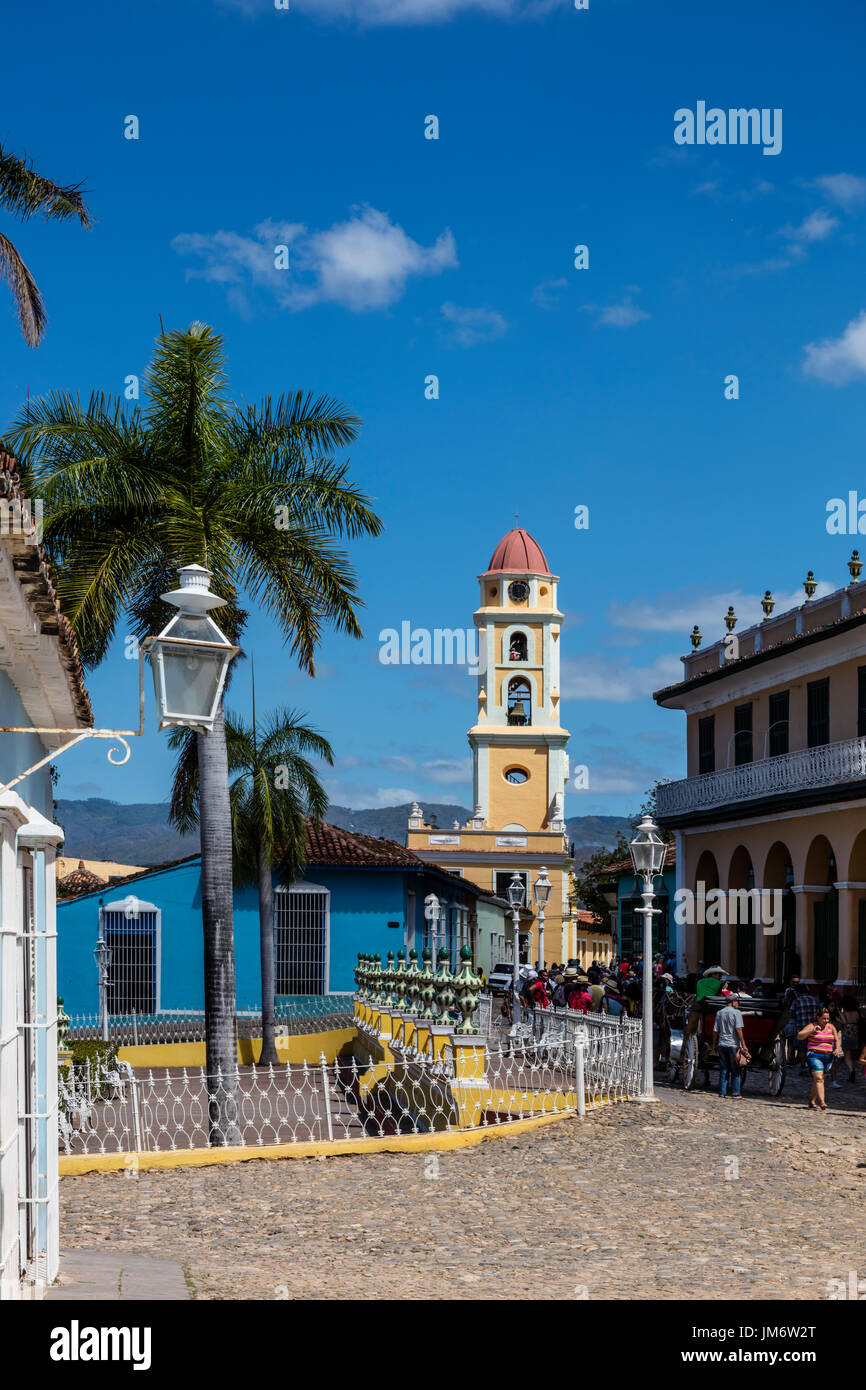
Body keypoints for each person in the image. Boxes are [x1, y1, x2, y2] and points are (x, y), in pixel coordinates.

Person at [798, 1006, 843, 1110]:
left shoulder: (831, 1027)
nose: (826, 1021)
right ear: (818, 1017)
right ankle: (822, 1102)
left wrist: (837, 1048)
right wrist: (812, 1030)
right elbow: (799, 1036)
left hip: (828, 1057)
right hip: (814, 1055)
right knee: (819, 1079)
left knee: (819, 1079)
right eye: (824, 1018)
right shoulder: (811, 1026)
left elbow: (836, 1039)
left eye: (828, 1018)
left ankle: (811, 1101)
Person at [712, 990, 749, 1098]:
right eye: (737, 1001)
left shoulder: (719, 1013)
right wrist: (743, 1044)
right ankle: (735, 1092)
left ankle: (722, 1092)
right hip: (733, 1044)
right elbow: (738, 1030)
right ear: (733, 1002)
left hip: (722, 1044)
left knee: (724, 1068)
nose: (737, 1003)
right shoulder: (736, 1013)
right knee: (735, 1069)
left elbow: (715, 1030)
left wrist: (714, 1044)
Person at [791, 982, 820, 1073]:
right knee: (812, 1050)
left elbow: (791, 1013)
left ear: (798, 992)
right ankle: (812, 1068)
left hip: (801, 1029)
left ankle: (803, 1068)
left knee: (801, 1050)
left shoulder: (797, 1001)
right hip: (814, 1029)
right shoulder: (814, 1000)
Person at [839, 995, 862, 1083]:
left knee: (847, 1056)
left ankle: (851, 1070)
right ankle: (852, 1071)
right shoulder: (857, 1013)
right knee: (854, 1056)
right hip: (855, 1037)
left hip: (846, 1037)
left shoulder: (844, 1013)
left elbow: (843, 1024)